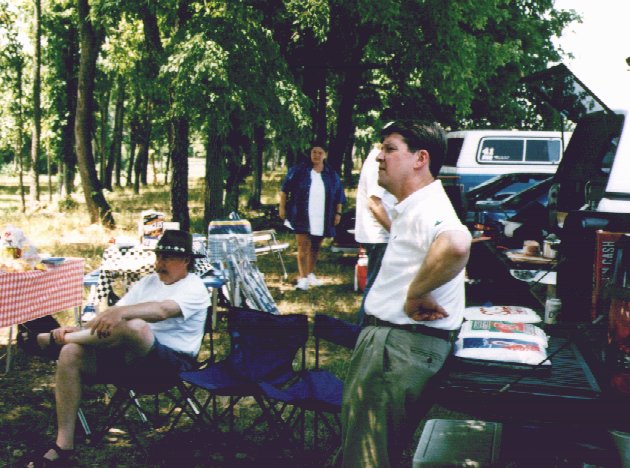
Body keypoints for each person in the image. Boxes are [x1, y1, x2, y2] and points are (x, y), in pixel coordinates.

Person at [339, 120, 472, 468]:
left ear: (420, 159)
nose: (379, 157)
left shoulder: (428, 207)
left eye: (389, 149)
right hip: (400, 348)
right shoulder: (414, 205)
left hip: (395, 349)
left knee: (365, 459)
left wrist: (416, 293)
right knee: (370, 452)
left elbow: (458, 243)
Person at [29, 230, 210, 466]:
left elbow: (162, 311)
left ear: (185, 260)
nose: (159, 264)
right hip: (130, 360)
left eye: (166, 258)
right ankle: (63, 444)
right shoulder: (148, 282)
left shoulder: (195, 286)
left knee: (135, 326)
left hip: (170, 366)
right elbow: (110, 318)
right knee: (71, 353)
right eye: (158, 256)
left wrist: (120, 312)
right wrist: (83, 327)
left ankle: (57, 340)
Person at [279, 142, 346, 290]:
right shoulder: (298, 171)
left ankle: (310, 273)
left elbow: (339, 195)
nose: (316, 155)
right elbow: (284, 190)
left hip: (322, 215)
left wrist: (338, 213)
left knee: (315, 246)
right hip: (302, 214)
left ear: (325, 155)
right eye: (314, 152)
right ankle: (302, 278)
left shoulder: (331, 174)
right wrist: (282, 208)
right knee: (303, 246)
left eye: (320, 152)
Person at [354, 144, 396, 325]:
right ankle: (363, 329)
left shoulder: (381, 158)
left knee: (379, 286)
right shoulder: (376, 161)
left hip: (381, 234)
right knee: (375, 287)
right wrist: (396, 233)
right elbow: (374, 203)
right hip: (379, 235)